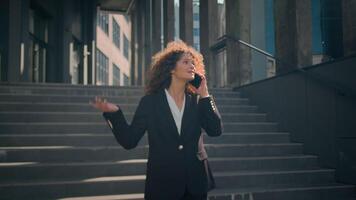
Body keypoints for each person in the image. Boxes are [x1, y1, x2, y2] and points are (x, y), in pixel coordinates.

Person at [90, 40, 222, 200]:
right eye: (186, 62)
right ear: (171, 68)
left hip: (196, 183)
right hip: (163, 184)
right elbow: (129, 140)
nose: (192, 66)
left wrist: (205, 94)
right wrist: (115, 113)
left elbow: (216, 131)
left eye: (193, 63)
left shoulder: (198, 100)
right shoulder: (150, 103)